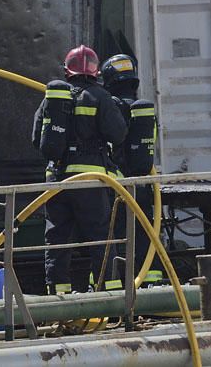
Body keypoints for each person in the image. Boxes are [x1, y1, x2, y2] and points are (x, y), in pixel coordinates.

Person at [32, 45, 127, 294]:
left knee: (57, 237)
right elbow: (118, 134)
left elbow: (36, 139)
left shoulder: (52, 100)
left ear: (67, 70)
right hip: (90, 180)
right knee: (100, 237)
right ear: (95, 71)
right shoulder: (100, 96)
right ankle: (110, 293)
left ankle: (57, 294)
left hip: (57, 181)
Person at [101, 53, 163, 285]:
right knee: (147, 233)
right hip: (145, 186)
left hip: (119, 187)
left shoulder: (111, 109)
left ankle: (119, 287)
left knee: (115, 236)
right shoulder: (143, 111)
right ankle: (152, 283)